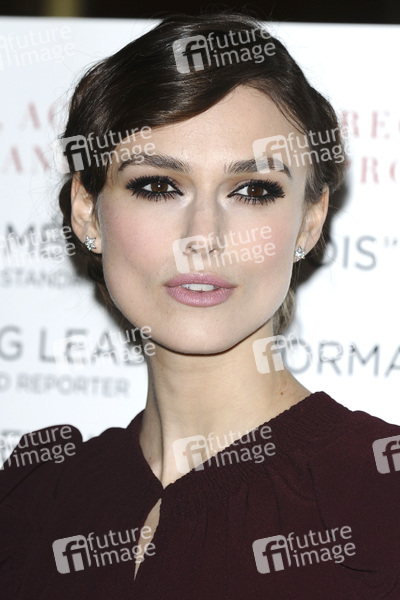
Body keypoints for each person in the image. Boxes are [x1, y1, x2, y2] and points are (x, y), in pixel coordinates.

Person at [1, 12, 399, 599]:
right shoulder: (33, 501)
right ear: (87, 212)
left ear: (309, 222)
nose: (203, 236)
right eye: (157, 185)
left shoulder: (381, 495)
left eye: (253, 190)